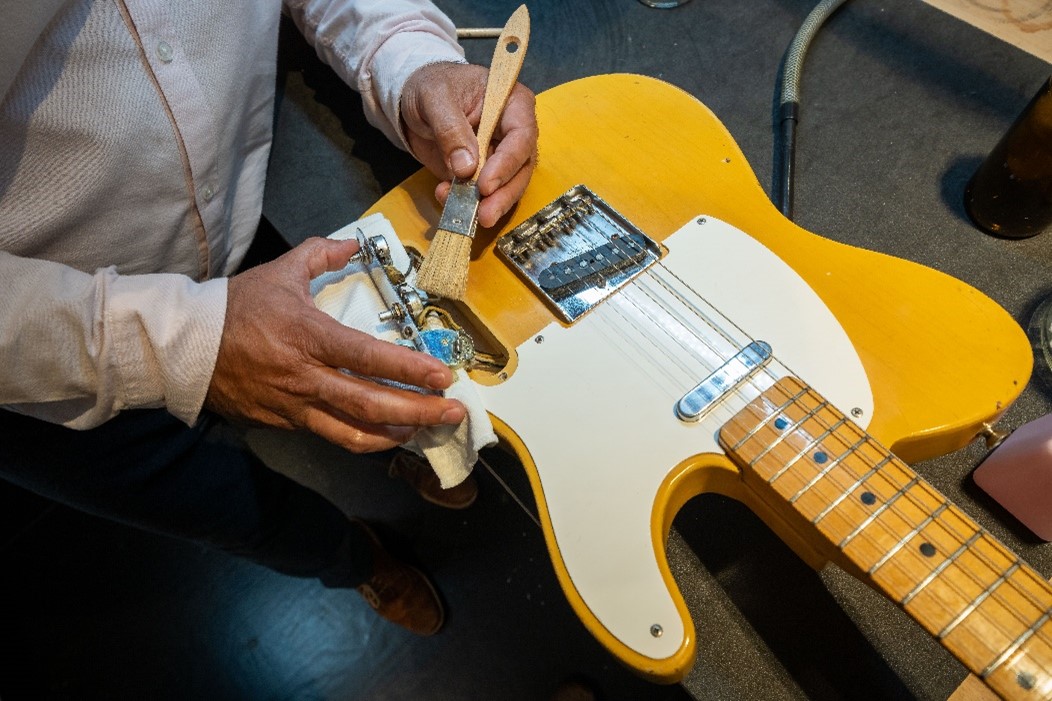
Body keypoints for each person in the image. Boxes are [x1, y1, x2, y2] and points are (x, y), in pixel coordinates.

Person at [0, 1, 538, 636]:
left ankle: (404, 452)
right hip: (35, 374)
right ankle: (355, 558)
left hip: (234, 226)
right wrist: (182, 347)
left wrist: (410, 59)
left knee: (347, 379)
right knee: (218, 505)